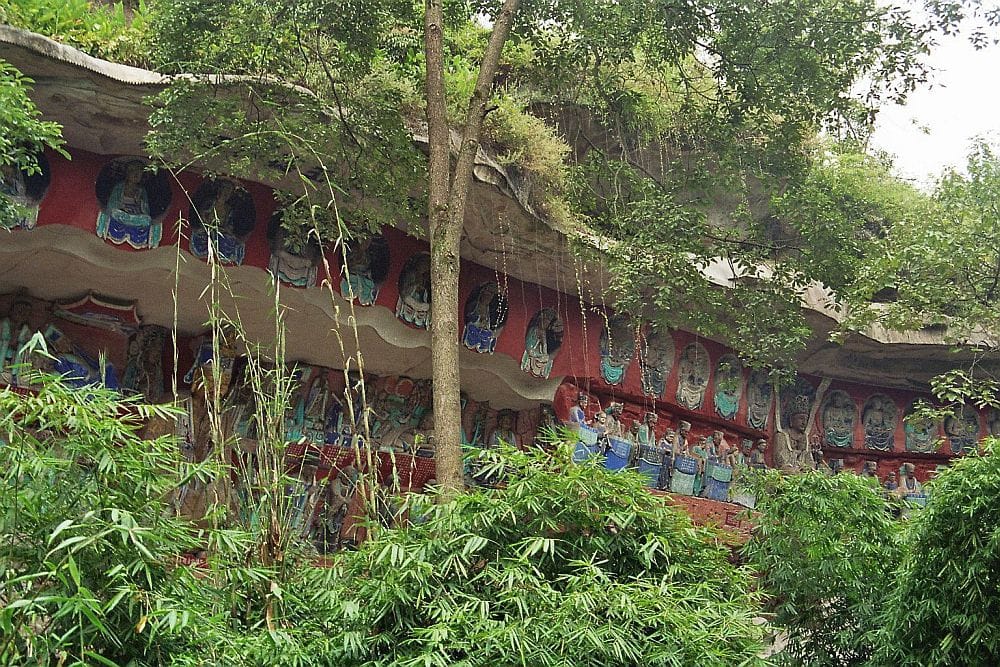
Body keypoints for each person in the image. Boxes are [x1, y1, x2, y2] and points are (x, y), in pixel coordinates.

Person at [97, 161, 160, 249]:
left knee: (147, 219)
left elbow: (145, 209)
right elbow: (112, 204)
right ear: (127, 173)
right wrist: (122, 208)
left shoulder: (141, 191)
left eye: (139, 172)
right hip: (121, 214)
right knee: (115, 213)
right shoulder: (120, 187)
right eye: (133, 171)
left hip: (135, 217)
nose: (136, 175)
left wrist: (139, 202)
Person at [0, 293, 33, 386]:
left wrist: (20, 335)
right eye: (19, 310)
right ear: (12, 311)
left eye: (25, 312)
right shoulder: (4, 323)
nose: (21, 314)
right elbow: (5, 338)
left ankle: (15, 374)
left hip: (16, 358)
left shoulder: (25, 328)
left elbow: (28, 344)